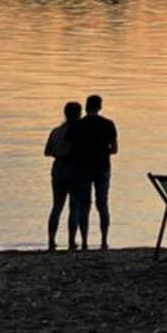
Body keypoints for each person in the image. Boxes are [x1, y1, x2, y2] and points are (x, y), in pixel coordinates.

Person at [68, 93, 119, 251]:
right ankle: (104, 240)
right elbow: (115, 149)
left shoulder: (78, 125)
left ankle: (84, 241)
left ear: (86, 106)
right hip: (103, 167)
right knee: (102, 204)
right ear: (100, 107)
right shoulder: (108, 124)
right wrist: (104, 151)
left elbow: (70, 147)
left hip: (82, 168)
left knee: (85, 205)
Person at [43, 100, 83, 251]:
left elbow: (47, 151)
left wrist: (58, 152)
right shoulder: (79, 132)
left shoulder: (56, 131)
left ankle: (51, 240)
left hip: (58, 168)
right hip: (74, 168)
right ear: (79, 114)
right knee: (74, 207)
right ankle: (71, 240)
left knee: (57, 206)